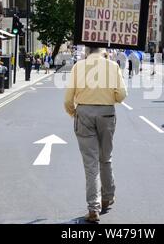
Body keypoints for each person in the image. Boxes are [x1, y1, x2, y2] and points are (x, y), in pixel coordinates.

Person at [64, 47, 127, 223]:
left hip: (83, 112)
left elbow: (68, 100)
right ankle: (107, 196)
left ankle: (93, 208)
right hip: (107, 113)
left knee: (90, 164)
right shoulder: (113, 66)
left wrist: (74, 113)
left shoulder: (79, 67)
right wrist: (109, 99)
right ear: (104, 52)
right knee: (106, 157)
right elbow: (122, 95)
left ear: (87, 52)